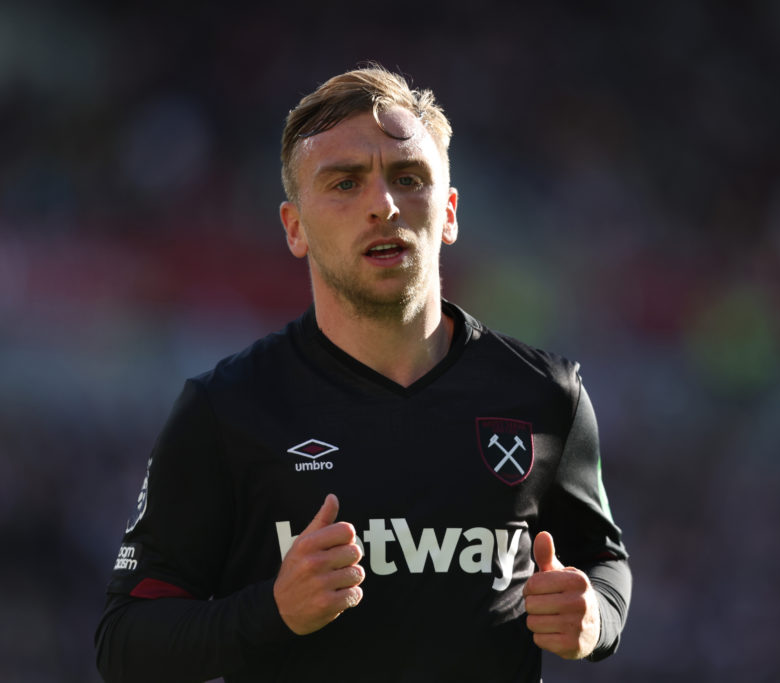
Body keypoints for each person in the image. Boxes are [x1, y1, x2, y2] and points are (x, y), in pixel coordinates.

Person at [95, 64, 631, 682]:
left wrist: (596, 618)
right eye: (345, 184)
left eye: (408, 178)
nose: (383, 205)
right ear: (295, 228)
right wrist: (272, 611)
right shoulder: (226, 409)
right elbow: (125, 643)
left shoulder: (546, 396)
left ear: (449, 212)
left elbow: (603, 562)